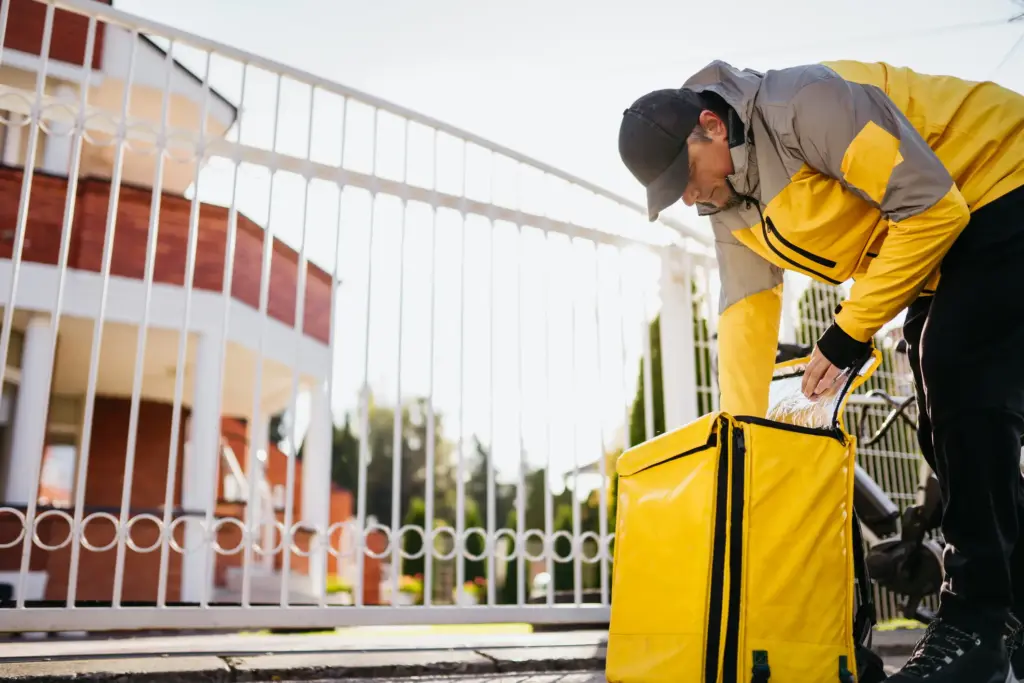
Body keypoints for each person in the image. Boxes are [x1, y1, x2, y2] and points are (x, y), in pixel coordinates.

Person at [617, 59, 1024, 682]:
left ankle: (979, 618)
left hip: (1000, 173)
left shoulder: (804, 106)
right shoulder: (730, 207)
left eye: (686, 176)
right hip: (947, 231)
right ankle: (1012, 612)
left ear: (712, 127)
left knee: (959, 368)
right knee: (946, 413)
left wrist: (846, 332)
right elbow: (746, 318)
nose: (690, 196)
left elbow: (932, 207)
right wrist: (740, 448)